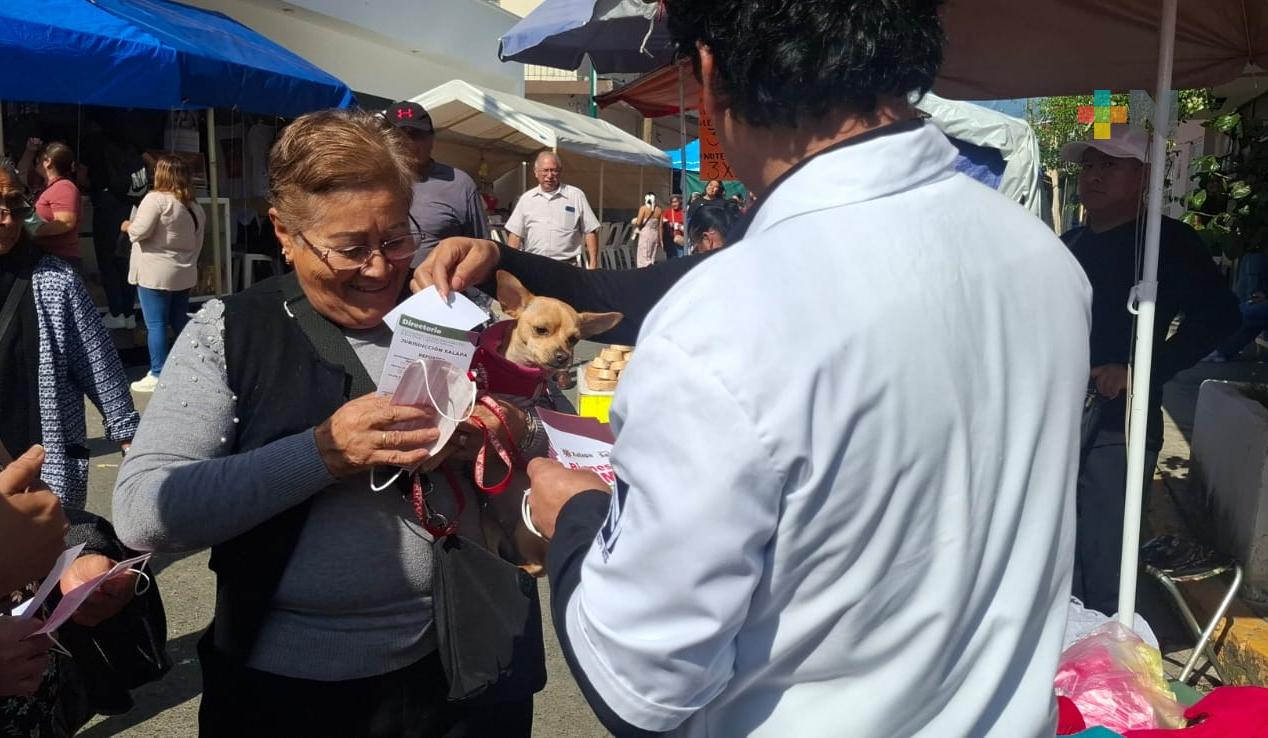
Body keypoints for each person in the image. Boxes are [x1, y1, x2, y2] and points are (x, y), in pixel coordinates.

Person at [419, 0, 1091, 734]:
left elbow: (640, 683)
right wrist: (505, 260)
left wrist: (575, 512)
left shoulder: (725, 319)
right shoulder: (1047, 263)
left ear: (709, 73)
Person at [112, 109, 543, 737]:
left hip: (462, 669)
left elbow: (557, 437)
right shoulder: (230, 333)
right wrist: (322, 454)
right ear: (284, 232)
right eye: (350, 249)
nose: (379, 268)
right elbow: (143, 511)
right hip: (284, 691)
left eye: (397, 238)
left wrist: (499, 430)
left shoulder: (460, 311)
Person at [1060, 127, 1240, 614]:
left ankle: (1103, 663)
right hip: (1058, 419)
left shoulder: (1168, 243)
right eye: (1089, 164)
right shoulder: (1068, 243)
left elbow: (1220, 317)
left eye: (1110, 165)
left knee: (1104, 554)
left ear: (1143, 176)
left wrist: (1141, 369)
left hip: (1120, 425)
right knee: (1058, 548)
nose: (1094, 176)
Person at [0, 160, 137, 510]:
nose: (8, 218)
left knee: (47, 560)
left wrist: (129, 439)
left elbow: (97, 362)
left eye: (14, 204)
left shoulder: (55, 281)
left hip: (41, 471)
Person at [122, 155, 207, 393]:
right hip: (183, 271)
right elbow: (198, 241)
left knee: (156, 324)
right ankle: (193, 365)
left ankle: (158, 372)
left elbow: (139, 231)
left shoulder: (155, 199)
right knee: (179, 320)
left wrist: (128, 226)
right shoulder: (195, 206)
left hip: (154, 272)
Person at [383, 101, 490, 268]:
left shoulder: (459, 184)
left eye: (417, 135)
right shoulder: (367, 184)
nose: (409, 143)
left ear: (432, 139)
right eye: (399, 136)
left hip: (439, 290)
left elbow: (482, 250)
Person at [79, 117, 150, 331]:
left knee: (107, 260)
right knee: (124, 259)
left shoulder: (93, 142)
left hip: (106, 205)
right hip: (129, 206)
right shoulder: (129, 142)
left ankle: (116, 312)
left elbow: (82, 177)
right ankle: (128, 313)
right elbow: (151, 162)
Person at [505, 151, 600, 268]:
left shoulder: (575, 196)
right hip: (534, 265)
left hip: (567, 266)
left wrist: (593, 264)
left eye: (553, 170)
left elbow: (590, 230)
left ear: (560, 172)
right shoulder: (526, 199)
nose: (549, 176)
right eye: (545, 170)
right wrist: (509, 265)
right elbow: (515, 235)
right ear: (536, 172)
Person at [20, 141, 84, 267]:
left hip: (61, 260)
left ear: (48, 161)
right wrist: (30, 151)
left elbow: (65, 223)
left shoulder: (64, 187)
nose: (35, 163)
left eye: (38, 159)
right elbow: (20, 174)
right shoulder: (43, 186)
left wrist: (36, 230)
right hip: (43, 256)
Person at [633, 192, 662, 268]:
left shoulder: (643, 208)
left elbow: (639, 222)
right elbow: (660, 225)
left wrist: (635, 221)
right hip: (655, 234)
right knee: (652, 257)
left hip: (645, 234)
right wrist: (660, 239)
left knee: (643, 257)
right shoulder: (659, 210)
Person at [661, 194, 686, 259]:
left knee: (680, 258)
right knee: (670, 259)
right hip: (669, 240)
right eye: (672, 202)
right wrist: (668, 223)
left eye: (676, 202)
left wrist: (681, 227)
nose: (674, 204)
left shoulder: (684, 212)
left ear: (680, 202)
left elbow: (688, 225)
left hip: (679, 239)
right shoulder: (667, 212)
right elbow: (661, 222)